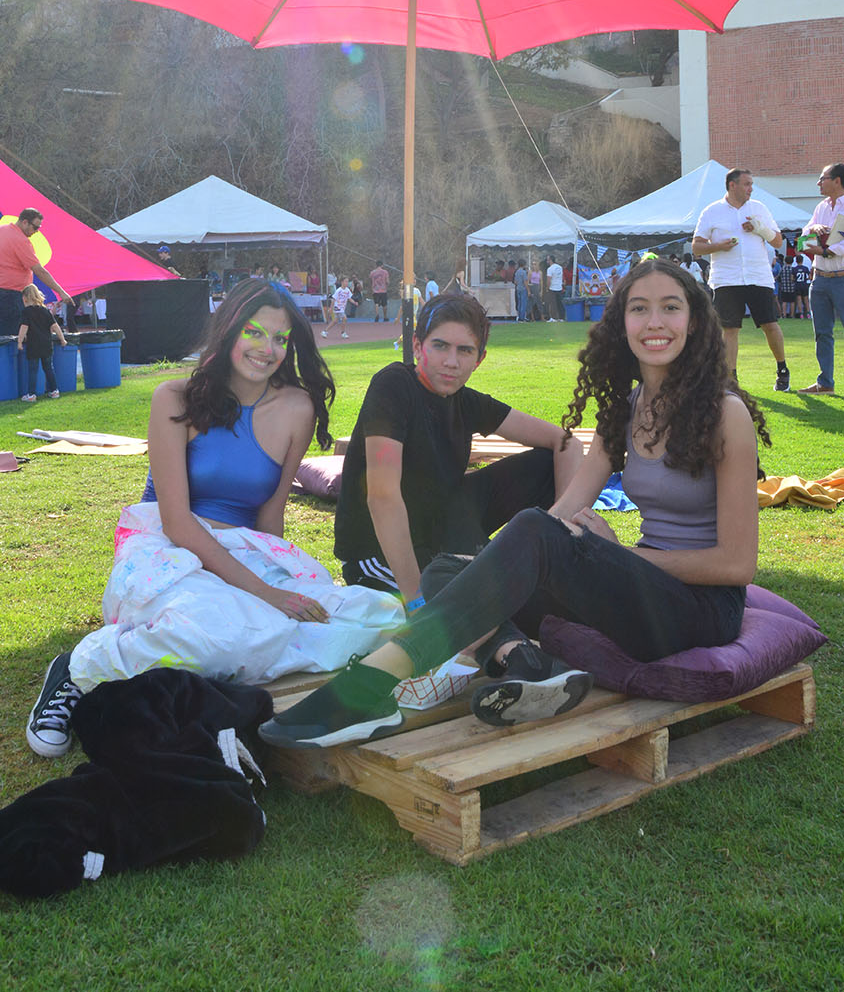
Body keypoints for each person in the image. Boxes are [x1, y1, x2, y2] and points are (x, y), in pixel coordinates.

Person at [260, 258, 769, 748]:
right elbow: (563, 512)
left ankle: (370, 684)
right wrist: (519, 562)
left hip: (699, 610)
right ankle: (528, 664)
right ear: (621, 323)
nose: (654, 322)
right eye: (639, 308)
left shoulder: (725, 415)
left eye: (670, 307)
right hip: (641, 598)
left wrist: (616, 554)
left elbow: (737, 565)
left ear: (695, 319)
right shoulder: (627, 411)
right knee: (446, 570)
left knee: (524, 538)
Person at [24, 280, 401, 757]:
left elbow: (271, 515)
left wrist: (281, 585)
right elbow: (177, 521)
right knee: (216, 639)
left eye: (281, 339)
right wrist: (265, 594)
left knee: (367, 617)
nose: (268, 350)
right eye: (255, 332)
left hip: (247, 550)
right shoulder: (174, 398)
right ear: (228, 331)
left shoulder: (297, 407)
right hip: (168, 547)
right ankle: (80, 666)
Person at [334, 292, 583, 602]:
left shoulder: (466, 402)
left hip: (441, 531)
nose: (451, 362)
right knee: (489, 607)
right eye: (440, 346)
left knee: (544, 463)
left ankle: (538, 555)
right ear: (416, 345)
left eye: (464, 351)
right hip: (377, 554)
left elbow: (566, 444)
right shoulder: (394, 386)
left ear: (479, 360)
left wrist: (558, 527)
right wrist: (416, 600)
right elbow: (382, 497)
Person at [692, 168, 790, 390]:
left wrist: (760, 229)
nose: (751, 189)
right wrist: (718, 246)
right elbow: (696, 247)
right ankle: (730, 379)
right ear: (732, 185)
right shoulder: (711, 211)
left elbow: (777, 241)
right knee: (730, 329)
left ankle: (782, 369)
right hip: (727, 278)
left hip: (758, 275)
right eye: (746, 184)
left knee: (770, 324)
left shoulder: (759, 208)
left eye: (751, 184)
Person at [0, 208, 74, 337]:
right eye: (35, 227)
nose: (36, 232)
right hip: (11, 293)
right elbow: (39, 270)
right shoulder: (20, 240)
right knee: (15, 334)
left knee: (7, 330)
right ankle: (16, 356)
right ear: (25, 222)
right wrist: (61, 291)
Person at [798, 162, 844, 395]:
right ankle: (825, 383)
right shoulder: (820, 208)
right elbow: (802, 240)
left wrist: (824, 251)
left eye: (822, 178)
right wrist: (813, 227)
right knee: (822, 332)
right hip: (820, 279)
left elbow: (841, 246)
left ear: (837, 180)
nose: (818, 183)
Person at [17, 285, 67, 400]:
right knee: (49, 368)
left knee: (33, 370)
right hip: (46, 343)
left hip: (33, 344)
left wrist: (20, 341)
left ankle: (31, 394)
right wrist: (62, 339)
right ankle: (54, 390)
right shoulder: (45, 311)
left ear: (25, 298)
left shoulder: (26, 312)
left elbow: (24, 327)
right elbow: (55, 326)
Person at [545, 256, 564, 321]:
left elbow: (548, 280)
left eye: (547, 260)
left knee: (553, 304)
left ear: (550, 260)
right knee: (560, 304)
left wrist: (547, 288)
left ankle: (553, 318)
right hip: (559, 287)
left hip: (552, 288)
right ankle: (561, 317)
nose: (547, 261)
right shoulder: (560, 267)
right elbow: (561, 277)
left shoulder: (550, 269)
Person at [793, 253, 812, 321]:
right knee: (806, 299)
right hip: (804, 285)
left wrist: (795, 279)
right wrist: (805, 279)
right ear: (802, 260)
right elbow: (810, 277)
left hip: (798, 285)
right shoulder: (805, 268)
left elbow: (792, 278)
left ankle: (801, 313)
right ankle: (808, 313)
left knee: (799, 299)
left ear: (796, 261)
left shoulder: (794, 269)